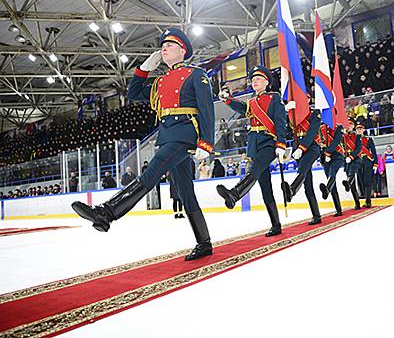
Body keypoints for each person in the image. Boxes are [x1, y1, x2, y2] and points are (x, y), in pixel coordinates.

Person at [71, 27, 215, 261]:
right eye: (163, 45)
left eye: (170, 45)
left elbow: (207, 109)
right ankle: (204, 242)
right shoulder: (159, 81)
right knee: (186, 193)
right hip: (167, 134)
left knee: (151, 173)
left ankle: (107, 212)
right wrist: (143, 69)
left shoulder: (195, 74)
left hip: (185, 133)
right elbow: (134, 93)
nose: (164, 48)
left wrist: (206, 142)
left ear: (182, 50)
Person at [217, 66, 286, 237]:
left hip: (269, 142)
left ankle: (235, 193)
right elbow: (242, 108)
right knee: (265, 186)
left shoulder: (275, 98)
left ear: (267, 82)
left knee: (253, 171)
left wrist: (281, 144)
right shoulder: (251, 101)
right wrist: (227, 99)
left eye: (259, 79)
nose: (255, 81)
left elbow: (280, 121)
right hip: (255, 144)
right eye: (253, 79)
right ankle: (276, 225)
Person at [280, 100, 322, 225]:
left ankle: (292, 189)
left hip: (312, 147)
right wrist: (286, 112)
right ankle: (316, 215)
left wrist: (301, 148)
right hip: (297, 149)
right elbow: (288, 132)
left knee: (302, 169)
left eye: (306, 97)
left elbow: (312, 132)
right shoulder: (293, 115)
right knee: (307, 183)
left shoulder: (315, 113)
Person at [341, 118, 363, 210]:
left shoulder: (357, 136)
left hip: (355, 159)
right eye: (347, 124)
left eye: (350, 124)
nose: (349, 126)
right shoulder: (343, 137)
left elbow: (358, 148)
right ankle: (357, 202)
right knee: (352, 184)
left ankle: (348, 182)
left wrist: (351, 157)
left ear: (353, 126)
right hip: (346, 160)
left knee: (351, 174)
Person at [355, 122, 377, 208]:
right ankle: (363, 199)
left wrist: (375, 163)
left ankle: (368, 201)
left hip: (367, 161)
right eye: (357, 129)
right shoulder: (354, 140)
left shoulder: (368, 139)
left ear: (363, 130)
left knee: (367, 181)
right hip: (357, 161)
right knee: (360, 182)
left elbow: (374, 152)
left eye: (361, 129)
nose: (359, 130)